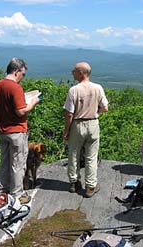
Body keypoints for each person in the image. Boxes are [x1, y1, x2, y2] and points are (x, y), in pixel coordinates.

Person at [0, 58, 39, 204]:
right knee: (18, 163)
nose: (23, 77)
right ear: (17, 71)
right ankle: (17, 194)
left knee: (5, 161)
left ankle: (3, 190)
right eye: (23, 74)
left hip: (2, 130)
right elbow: (20, 111)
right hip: (17, 131)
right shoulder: (15, 87)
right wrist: (33, 103)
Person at [63, 61, 108, 198]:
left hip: (78, 124)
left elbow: (69, 113)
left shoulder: (74, 90)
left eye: (75, 71)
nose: (72, 72)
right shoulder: (98, 88)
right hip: (93, 124)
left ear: (81, 73)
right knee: (91, 156)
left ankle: (74, 182)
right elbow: (105, 108)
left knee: (74, 154)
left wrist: (66, 130)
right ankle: (90, 186)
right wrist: (95, 112)